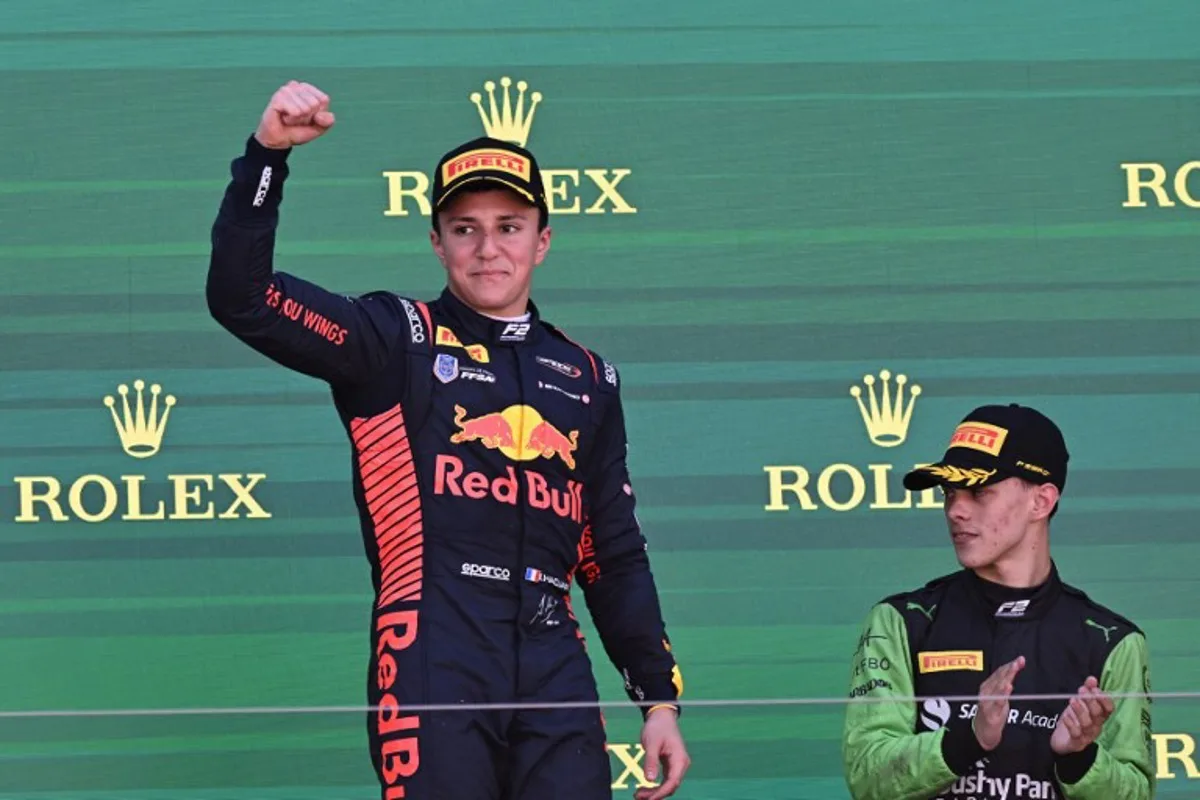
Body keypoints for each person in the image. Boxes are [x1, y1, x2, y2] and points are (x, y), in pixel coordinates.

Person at [206, 80, 689, 800]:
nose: (487, 248)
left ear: (543, 241)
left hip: (553, 654)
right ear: (436, 243)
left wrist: (658, 700)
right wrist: (267, 156)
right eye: (465, 228)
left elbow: (611, 552)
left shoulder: (586, 375)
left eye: (509, 226)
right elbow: (244, 298)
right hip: (435, 644)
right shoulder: (391, 339)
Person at [841, 403, 1154, 799]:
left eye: (979, 492)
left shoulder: (1112, 641)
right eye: (949, 493)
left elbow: (1137, 794)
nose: (955, 510)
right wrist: (967, 740)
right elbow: (867, 778)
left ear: (1041, 501)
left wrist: (1079, 758)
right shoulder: (901, 622)